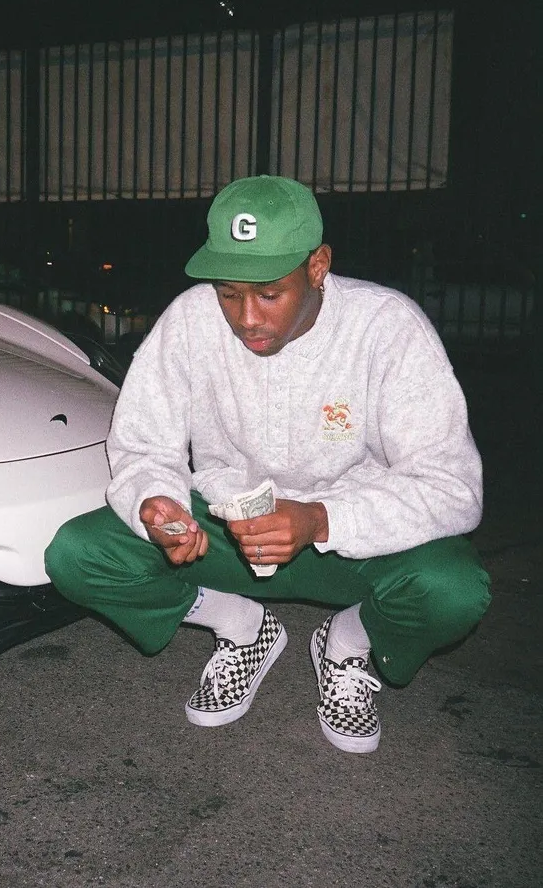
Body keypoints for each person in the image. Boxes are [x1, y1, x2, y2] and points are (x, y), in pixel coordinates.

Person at [45, 175, 491, 754]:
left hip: (354, 545)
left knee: (453, 590)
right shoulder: (188, 321)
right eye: (229, 293)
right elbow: (142, 445)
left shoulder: (387, 328)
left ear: (317, 266)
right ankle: (242, 628)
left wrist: (320, 519)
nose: (246, 317)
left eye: (269, 294)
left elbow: (453, 487)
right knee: (78, 553)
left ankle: (347, 642)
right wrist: (156, 502)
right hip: (227, 533)